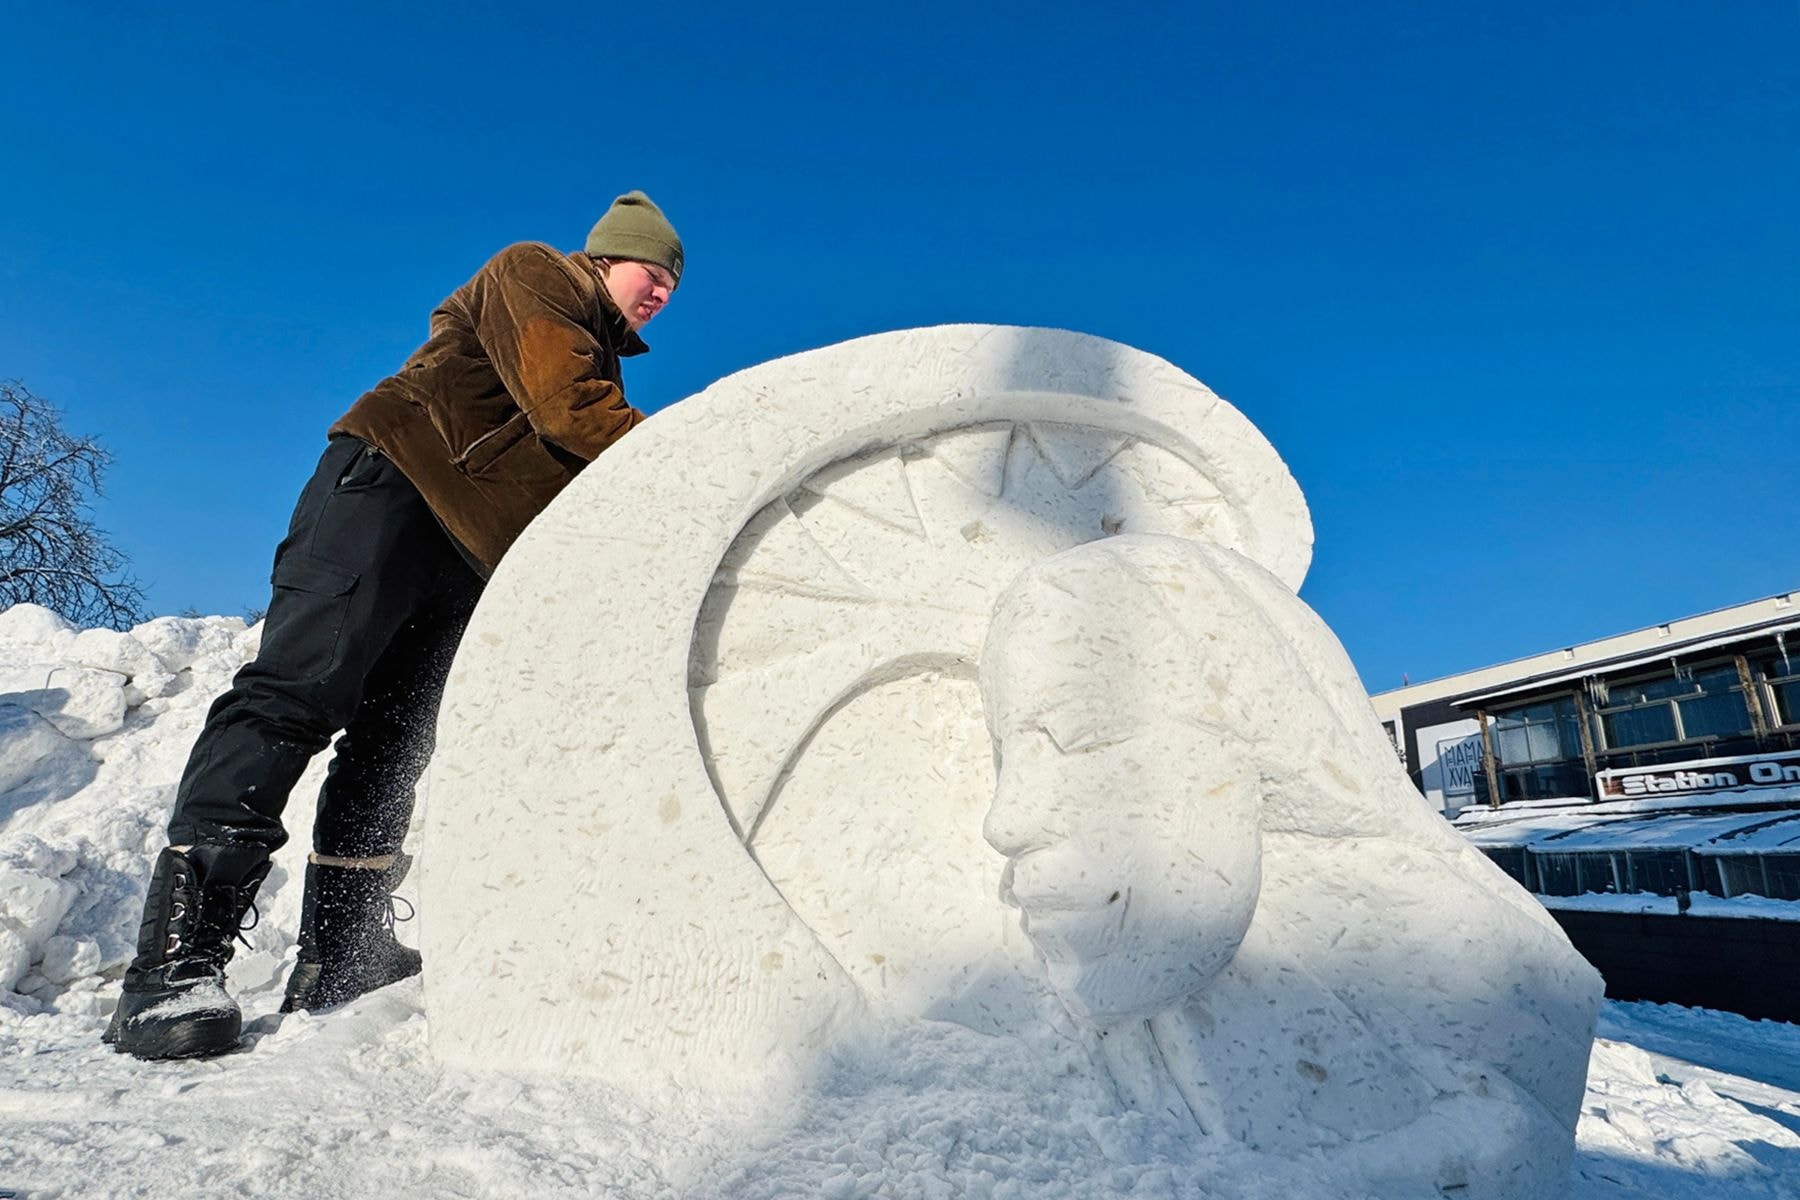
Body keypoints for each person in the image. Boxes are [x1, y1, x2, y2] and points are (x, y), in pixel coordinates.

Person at [104, 191, 684, 1061]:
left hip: (470, 556)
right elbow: (566, 406)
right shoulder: (535, 274)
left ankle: (343, 948)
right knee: (296, 695)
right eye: (655, 271)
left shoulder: (606, 362)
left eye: (675, 283)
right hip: (392, 492)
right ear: (607, 257)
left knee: (392, 742)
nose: (664, 292)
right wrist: (691, 453)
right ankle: (171, 965)